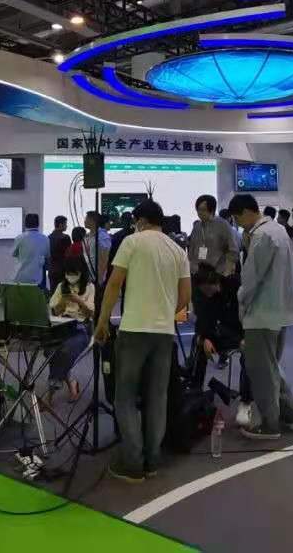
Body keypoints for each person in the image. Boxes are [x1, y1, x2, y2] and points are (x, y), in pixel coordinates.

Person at [94, 199, 190, 483]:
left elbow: (114, 283)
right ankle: (152, 460)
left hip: (134, 329)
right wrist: (166, 312)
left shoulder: (132, 242)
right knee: (157, 397)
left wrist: (102, 321)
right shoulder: (177, 249)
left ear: (141, 220)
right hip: (164, 333)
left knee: (124, 396)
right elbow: (185, 295)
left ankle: (133, 462)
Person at [226, 194, 293, 440]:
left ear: (247, 212)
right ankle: (287, 411)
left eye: (238, 219)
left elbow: (251, 279)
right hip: (280, 311)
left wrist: (240, 301)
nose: (239, 225)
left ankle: (270, 424)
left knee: (262, 371)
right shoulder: (279, 230)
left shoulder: (261, 236)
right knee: (272, 365)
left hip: (262, 312)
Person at [189, 262, 250, 403]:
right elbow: (203, 319)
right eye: (203, 291)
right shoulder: (203, 295)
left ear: (215, 282)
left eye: (207, 289)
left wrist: (245, 337)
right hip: (220, 332)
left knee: (249, 353)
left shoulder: (235, 284)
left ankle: (246, 400)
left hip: (242, 331)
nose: (206, 294)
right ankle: (195, 391)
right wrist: (204, 338)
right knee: (198, 343)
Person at [48, 256, 95, 400]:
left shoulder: (89, 287)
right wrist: (63, 300)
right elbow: (55, 311)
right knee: (50, 349)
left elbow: (91, 313)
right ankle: (71, 383)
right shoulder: (61, 286)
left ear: (81, 272)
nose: (70, 276)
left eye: (74, 273)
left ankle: (50, 393)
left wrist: (79, 301)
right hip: (62, 325)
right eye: (68, 273)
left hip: (82, 327)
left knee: (65, 350)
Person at [188, 195, 237, 279]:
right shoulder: (197, 227)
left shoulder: (223, 225)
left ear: (212, 210)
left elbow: (233, 250)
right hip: (197, 273)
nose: (200, 213)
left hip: (218, 273)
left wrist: (227, 272)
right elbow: (192, 249)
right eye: (198, 210)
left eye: (203, 210)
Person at [11, 213, 50, 289]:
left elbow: (14, 254)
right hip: (37, 278)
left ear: (25, 223)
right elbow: (47, 255)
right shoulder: (45, 239)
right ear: (38, 224)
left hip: (20, 276)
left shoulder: (19, 238)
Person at [84, 210, 110, 283]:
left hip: (98, 277)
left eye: (86, 219)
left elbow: (105, 257)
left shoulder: (102, 236)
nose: (84, 221)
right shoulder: (87, 236)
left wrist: (100, 278)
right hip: (89, 276)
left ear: (93, 221)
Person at [47, 215, 71, 289]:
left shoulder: (48, 237)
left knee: (53, 292)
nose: (66, 226)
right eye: (65, 224)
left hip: (52, 270)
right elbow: (69, 255)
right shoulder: (65, 238)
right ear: (60, 225)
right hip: (62, 270)